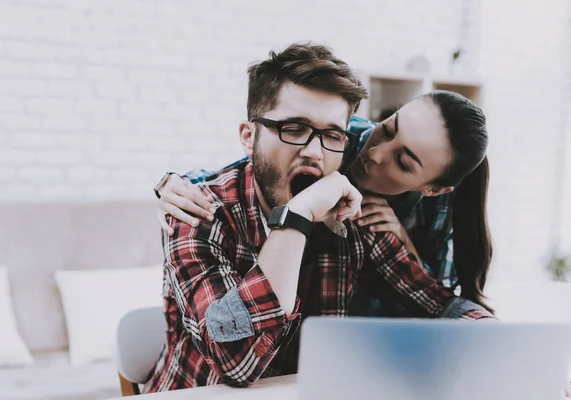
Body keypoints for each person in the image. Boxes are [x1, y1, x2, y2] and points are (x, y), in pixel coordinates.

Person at [143, 42, 493, 393]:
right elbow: (236, 361)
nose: (314, 152)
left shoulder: (350, 213)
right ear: (249, 137)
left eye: (331, 135)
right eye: (293, 128)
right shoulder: (196, 212)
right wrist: (296, 217)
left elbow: (437, 307)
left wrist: (501, 341)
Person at [155, 89, 493, 313]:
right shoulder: (340, 139)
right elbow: (256, 167)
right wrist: (176, 183)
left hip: (373, 325)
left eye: (403, 163)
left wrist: (405, 245)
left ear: (432, 188)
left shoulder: (437, 208)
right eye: (388, 128)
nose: (373, 153)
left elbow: (436, 301)